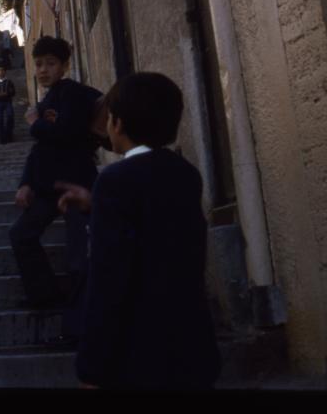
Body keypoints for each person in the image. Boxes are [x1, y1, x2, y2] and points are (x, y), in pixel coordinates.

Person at [57, 72, 221, 389]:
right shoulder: (184, 174)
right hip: (192, 347)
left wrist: (91, 366)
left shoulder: (115, 180)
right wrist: (97, 204)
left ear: (117, 124)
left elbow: (108, 280)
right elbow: (156, 225)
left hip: (139, 355)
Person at [9, 36, 103, 347]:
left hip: (77, 186)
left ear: (64, 66)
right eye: (38, 64)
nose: (44, 69)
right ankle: (45, 297)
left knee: (79, 256)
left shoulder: (76, 95)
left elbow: (68, 134)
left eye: (51, 63)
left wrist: (35, 122)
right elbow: (41, 149)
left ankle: (78, 329)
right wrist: (25, 182)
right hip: (48, 187)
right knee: (21, 234)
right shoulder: (47, 100)